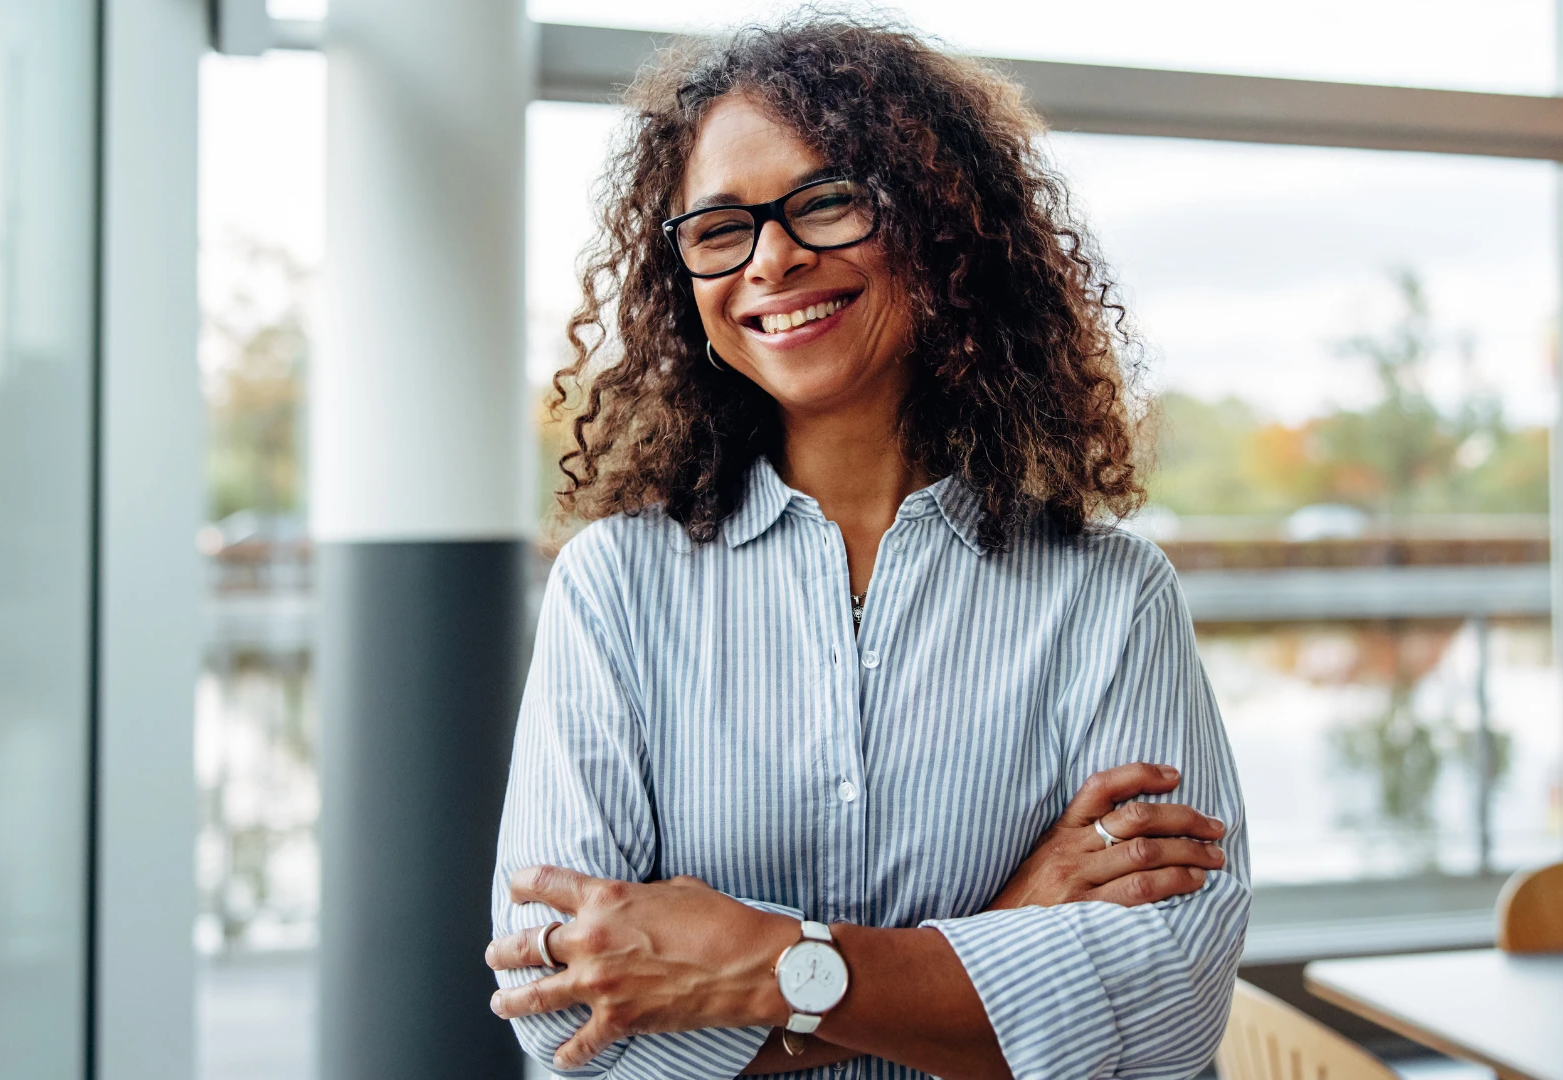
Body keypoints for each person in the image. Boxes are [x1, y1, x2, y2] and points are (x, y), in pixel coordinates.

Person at [486, 16, 1247, 1079]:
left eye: (828, 200)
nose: (774, 256)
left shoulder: (1110, 597)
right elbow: (566, 1015)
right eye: (719, 229)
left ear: (943, 224)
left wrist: (755, 971)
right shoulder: (615, 586)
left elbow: (1169, 1007)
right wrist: (1005, 935)